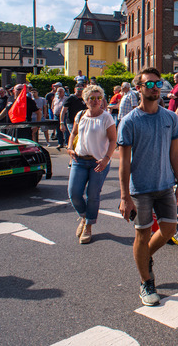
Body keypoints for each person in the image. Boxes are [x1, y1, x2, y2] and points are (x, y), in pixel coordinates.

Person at [118, 67, 178, 307]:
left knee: (169, 230)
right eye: (150, 84)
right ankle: (146, 282)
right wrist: (125, 197)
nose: (155, 88)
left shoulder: (170, 117)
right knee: (142, 234)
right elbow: (124, 162)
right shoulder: (129, 121)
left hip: (166, 186)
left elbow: (175, 153)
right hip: (141, 190)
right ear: (139, 88)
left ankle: (144, 258)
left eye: (158, 84)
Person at [67, 85, 117, 244]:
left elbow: (113, 140)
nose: (96, 101)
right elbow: (74, 133)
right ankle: (83, 216)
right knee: (74, 193)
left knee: (93, 195)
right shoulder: (80, 115)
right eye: (92, 98)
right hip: (79, 160)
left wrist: (106, 159)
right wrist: (69, 148)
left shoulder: (106, 117)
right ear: (85, 100)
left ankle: (88, 226)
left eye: (98, 98)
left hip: (98, 162)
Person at [59, 84, 87, 149]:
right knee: (76, 136)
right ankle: (73, 149)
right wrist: (62, 123)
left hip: (83, 122)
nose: (80, 91)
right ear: (75, 89)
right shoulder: (70, 98)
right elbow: (63, 111)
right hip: (71, 122)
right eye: (78, 89)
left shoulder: (85, 99)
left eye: (81, 89)